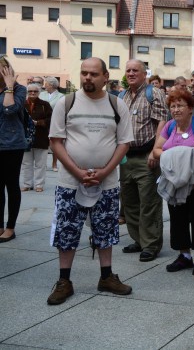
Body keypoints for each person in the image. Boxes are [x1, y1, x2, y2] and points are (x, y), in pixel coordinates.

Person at [46, 57, 134, 305]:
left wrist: (105, 171)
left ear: (105, 77)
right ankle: (64, 281)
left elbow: (124, 142)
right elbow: (56, 141)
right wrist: (77, 171)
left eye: (94, 74)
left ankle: (106, 276)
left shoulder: (117, 105)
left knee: (106, 228)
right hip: (70, 181)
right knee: (67, 230)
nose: (88, 78)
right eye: (84, 73)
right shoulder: (67, 103)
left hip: (106, 182)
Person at [153, 89, 194, 276]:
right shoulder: (169, 126)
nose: (176, 109)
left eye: (180, 105)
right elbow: (156, 150)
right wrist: (175, 156)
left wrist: (179, 155)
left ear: (190, 108)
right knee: (177, 217)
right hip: (174, 180)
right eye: (173, 106)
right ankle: (184, 255)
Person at [119, 59, 168, 262]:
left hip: (146, 156)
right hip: (125, 158)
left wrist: (155, 152)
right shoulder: (122, 96)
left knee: (149, 202)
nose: (131, 73)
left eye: (135, 71)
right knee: (129, 202)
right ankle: (138, 239)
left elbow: (162, 123)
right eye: (128, 70)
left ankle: (151, 245)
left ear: (144, 74)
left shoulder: (153, 93)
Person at [0, 56, 27, 243]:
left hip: (12, 144)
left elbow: (10, 109)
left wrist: (9, 86)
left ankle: (10, 227)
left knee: (11, 185)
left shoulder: (19, 89)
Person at [20, 83, 53, 193]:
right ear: (27, 93)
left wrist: (38, 123)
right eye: (30, 91)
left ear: (39, 92)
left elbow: (51, 120)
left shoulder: (45, 105)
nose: (32, 93)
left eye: (35, 91)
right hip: (25, 139)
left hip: (41, 138)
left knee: (40, 164)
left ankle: (39, 184)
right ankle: (26, 184)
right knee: (26, 163)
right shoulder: (21, 104)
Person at [40, 76, 64, 171]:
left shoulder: (61, 96)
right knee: (43, 143)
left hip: (55, 122)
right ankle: (43, 164)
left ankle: (54, 164)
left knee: (55, 143)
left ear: (51, 85)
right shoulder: (41, 94)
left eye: (46, 83)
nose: (44, 85)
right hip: (43, 122)